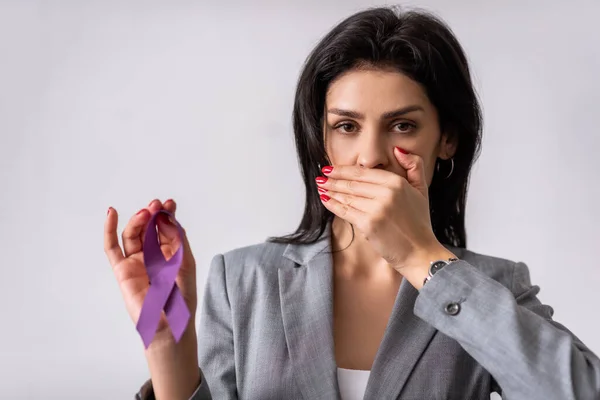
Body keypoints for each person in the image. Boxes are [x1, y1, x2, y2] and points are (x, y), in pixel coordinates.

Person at [103, 6, 600, 400]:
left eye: (403, 126)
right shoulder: (243, 280)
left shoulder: (493, 287)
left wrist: (421, 257)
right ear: (321, 142)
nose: (369, 158)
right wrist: (166, 345)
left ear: (446, 139)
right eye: (346, 126)